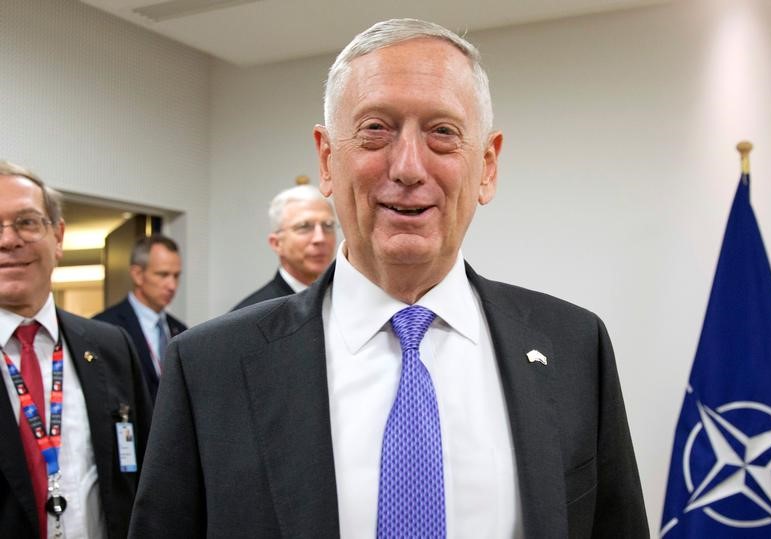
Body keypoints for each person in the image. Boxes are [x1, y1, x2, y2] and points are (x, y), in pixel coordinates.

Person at [129, 19, 648, 538]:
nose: (407, 167)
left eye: (442, 132)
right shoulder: (211, 369)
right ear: (328, 159)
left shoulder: (575, 348)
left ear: (487, 166)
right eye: (375, 128)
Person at [0, 161, 152, 539]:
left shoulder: (111, 346)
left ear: (59, 236)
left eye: (27, 222)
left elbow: (150, 474)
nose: (8, 240)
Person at [94, 235, 186, 401]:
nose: (172, 286)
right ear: (137, 275)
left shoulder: (181, 331)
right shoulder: (105, 326)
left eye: (176, 276)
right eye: (163, 275)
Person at [231, 184, 337, 310]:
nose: (320, 238)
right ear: (276, 243)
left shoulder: (348, 300)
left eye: (328, 225)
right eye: (304, 227)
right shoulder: (252, 316)